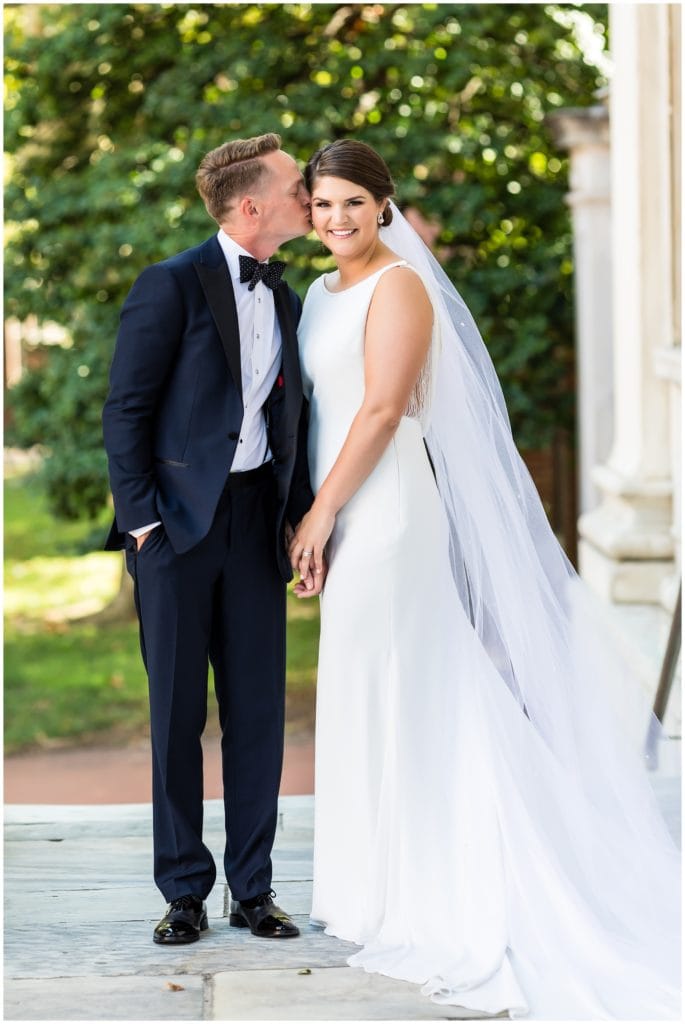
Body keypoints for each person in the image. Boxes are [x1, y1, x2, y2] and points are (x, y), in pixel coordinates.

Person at [290, 139, 680, 1018]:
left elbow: (385, 409)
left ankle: (431, 880)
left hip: (385, 514)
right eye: (322, 205)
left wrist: (322, 515)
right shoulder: (318, 292)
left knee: (406, 684)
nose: (337, 219)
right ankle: (366, 887)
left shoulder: (400, 286)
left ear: (383, 205)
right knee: (363, 686)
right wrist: (308, 511)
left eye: (353, 202)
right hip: (337, 505)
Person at [103, 133, 320, 946]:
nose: (310, 195)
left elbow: (289, 421)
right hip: (174, 532)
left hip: (256, 523)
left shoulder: (291, 298)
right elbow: (125, 409)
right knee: (176, 715)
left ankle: (254, 890)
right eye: (297, 185)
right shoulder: (170, 285)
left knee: (258, 712)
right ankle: (185, 891)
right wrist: (144, 524)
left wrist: (298, 519)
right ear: (251, 204)